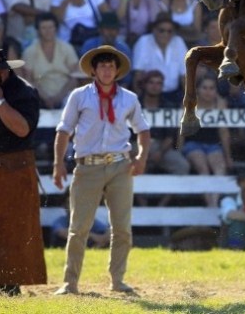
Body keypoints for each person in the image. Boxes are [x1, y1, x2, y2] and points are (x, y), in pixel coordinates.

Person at [52, 45, 150, 295]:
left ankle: (117, 280)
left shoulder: (129, 98)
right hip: (88, 166)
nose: (106, 70)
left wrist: (141, 157)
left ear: (117, 71)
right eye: (102, 66)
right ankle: (70, 282)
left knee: (122, 228)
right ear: (93, 71)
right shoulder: (79, 96)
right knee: (78, 228)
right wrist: (58, 163)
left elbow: (143, 130)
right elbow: (64, 130)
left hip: (120, 164)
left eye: (111, 66)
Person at [0, 49, 47, 297]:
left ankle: (10, 283)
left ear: (4, 71)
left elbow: (22, 129)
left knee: (16, 227)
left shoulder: (24, 93)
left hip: (15, 167)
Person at [138, 69, 190, 206]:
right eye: (151, 83)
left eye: (159, 83)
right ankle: (142, 205)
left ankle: (162, 204)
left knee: (182, 166)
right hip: (136, 145)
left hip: (161, 147)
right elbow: (126, 133)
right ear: (144, 84)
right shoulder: (134, 104)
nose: (155, 86)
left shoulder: (168, 105)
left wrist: (160, 152)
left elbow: (170, 136)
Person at [182, 74, 233, 207]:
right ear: (197, 89)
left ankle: (214, 204)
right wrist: (179, 149)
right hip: (193, 144)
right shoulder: (190, 102)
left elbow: (224, 131)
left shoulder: (220, 103)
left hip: (213, 144)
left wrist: (228, 157)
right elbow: (180, 130)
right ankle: (211, 207)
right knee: (203, 168)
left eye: (212, 88)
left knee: (219, 168)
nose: (208, 91)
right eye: (204, 88)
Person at [22, 12, 79, 109]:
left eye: (50, 27)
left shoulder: (67, 48)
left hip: (65, 95)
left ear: (56, 28)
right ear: (38, 30)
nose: (48, 31)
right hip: (39, 96)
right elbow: (28, 79)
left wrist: (59, 97)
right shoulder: (30, 52)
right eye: (43, 28)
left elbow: (75, 77)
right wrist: (46, 98)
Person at [132, 12, 187, 105]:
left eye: (170, 31)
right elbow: (138, 75)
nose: (166, 34)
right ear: (154, 29)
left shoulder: (179, 42)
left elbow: (185, 77)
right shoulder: (143, 42)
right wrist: (140, 103)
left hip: (174, 95)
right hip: (149, 95)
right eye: (162, 30)